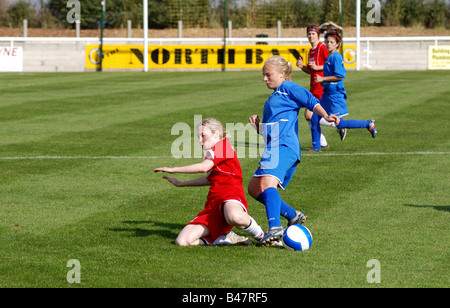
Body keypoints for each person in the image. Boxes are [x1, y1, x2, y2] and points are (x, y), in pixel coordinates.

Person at [248, 55, 340, 246]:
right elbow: (268, 133)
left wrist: (326, 115)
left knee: (266, 184)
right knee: (254, 188)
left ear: (282, 74)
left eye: (268, 74)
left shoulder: (287, 88)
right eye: (263, 75)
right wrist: (258, 127)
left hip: (285, 147)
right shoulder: (272, 99)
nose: (264, 79)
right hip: (274, 147)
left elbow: (310, 99)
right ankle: (292, 215)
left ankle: (274, 228)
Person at [154, 118, 264, 246]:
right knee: (182, 241)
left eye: (203, 136)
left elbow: (203, 168)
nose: (200, 140)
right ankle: (226, 239)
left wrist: (173, 169)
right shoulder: (212, 153)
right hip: (214, 203)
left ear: (216, 134)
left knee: (234, 216)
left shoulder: (224, 146)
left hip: (231, 197)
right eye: (198, 136)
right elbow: (210, 178)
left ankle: (262, 235)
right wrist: (181, 183)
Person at [310, 30, 377, 151]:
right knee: (315, 117)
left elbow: (340, 76)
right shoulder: (330, 57)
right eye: (327, 41)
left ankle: (368, 124)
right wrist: (322, 81)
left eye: (331, 42)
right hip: (327, 94)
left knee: (339, 124)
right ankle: (317, 147)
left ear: (337, 44)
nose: (328, 44)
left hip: (334, 96)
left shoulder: (336, 57)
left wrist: (323, 78)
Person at [297, 24, 341, 151]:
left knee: (310, 115)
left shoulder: (322, 48)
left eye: (313, 34)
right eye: (309, 34)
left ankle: (336, 125)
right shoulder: (311, 50)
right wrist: (302, 67)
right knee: (310, 116)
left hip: (321, 87)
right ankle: (324, 141)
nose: (311, 36)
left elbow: (331, 66)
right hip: (313, 86)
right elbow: (311, 71)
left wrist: (317, 67)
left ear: (318, 35)